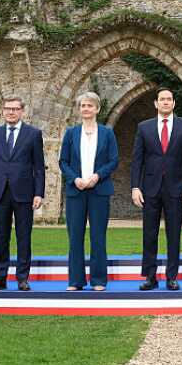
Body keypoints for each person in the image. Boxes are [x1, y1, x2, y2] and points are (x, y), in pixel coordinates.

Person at [130, 87, 182, 291]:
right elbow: (137, 160)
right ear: (156, 103)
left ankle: (172, 277)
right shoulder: (144, 127)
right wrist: (135, 187)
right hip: (149, 189)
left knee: (174, 234)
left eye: (169, 99)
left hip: (176, 188)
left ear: (174, 103)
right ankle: (150, 277)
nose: (166, 102)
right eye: (162, 99)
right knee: (149, 234)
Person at [0, 97, 45, 292]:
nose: (11, 112)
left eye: (15, 109)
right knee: (1, 237)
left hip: (25, 193)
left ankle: (23, 278)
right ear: (3, 111)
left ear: (22, 111)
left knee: (24, 236)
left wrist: (39, 193)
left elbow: (39, 167)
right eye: (7, 109)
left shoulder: (33, 134)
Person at [59, 92, 119, 291]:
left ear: (97, 109)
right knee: (75, 237)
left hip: (99, 190)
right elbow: (63, 161)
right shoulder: (71, 133)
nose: (86, 109)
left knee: (98, 236)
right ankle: (75, 281)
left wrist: (96, 177)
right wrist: (75, 179)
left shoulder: (107, 133)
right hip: (76, 191)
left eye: (90, 106)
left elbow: (113, 161)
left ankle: (98, 280)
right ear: (79, 109)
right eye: (83, 105)